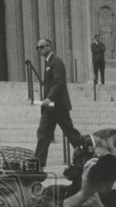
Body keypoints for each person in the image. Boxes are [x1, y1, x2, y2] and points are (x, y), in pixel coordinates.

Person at [33, 38, 83, 170]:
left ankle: (87, 154)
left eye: (41, 47)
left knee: (70, 132)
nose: (39, 50)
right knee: (43, 133)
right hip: (50, 108)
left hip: (59, 105)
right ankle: (38, 165)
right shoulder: (48, 62)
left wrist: (49, 98)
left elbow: (59, 82)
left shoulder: (56, 61)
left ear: (49, 47)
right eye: (37, 47)